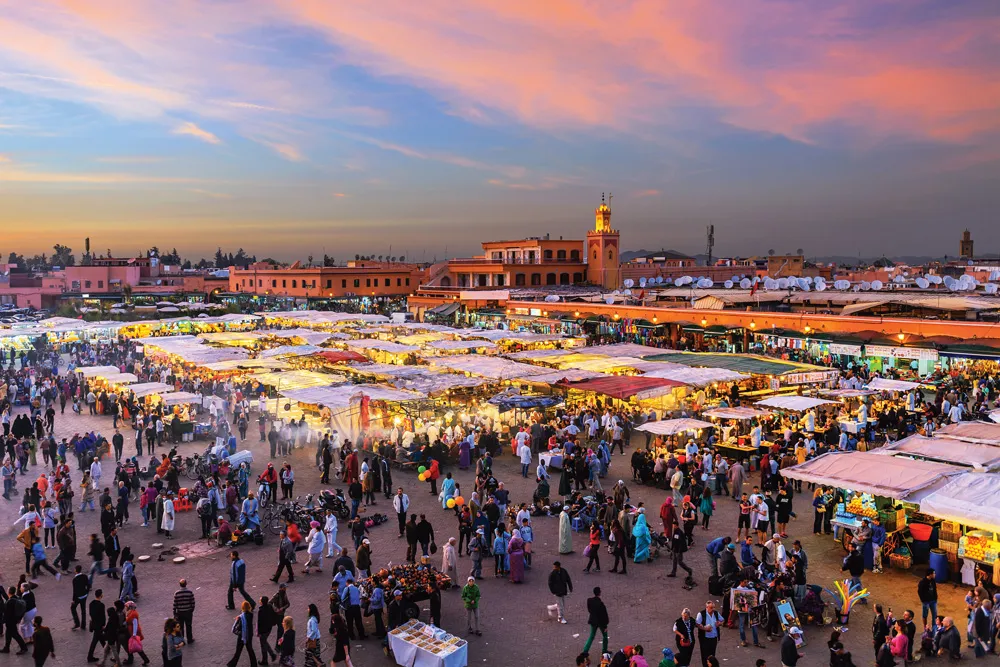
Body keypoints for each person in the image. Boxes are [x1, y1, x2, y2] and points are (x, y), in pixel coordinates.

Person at [228, 600, 257, 667]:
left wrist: (239, 633)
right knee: (250, 650)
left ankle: (232, 664)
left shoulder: (241, 617)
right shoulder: (251, 615)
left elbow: (235, 629)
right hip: (249, 636)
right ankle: (254, 664)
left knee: (238, 651)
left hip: (242, 636)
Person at [695, 601, 723, 667]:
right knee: (705, 655)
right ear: (707, 607)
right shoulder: (701, 614)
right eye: (711, 608)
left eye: (713, 608)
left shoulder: (716, 613)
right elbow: (697, 624)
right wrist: (705, 628)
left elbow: (722, 620)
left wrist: (719, 623)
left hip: (714, 637)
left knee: (712, 654)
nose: (713, 609)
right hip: (704, 638)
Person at [584, 586, 610, 655]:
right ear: (599, 593)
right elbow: (604, 616)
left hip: (593, 622)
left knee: (591, 636)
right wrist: (605, 625)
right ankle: (604, 650)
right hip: (601, 623)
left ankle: (585, 650)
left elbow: (589, 610)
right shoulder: (601, 604)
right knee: (605, 636)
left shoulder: (589, 600)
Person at [124, 601, 150, 666]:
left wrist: (134, 635)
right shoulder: (130, 612)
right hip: (131, 632)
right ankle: (143, 659)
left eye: (126, 606)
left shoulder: (133, 614)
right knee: (133, 646)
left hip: (133, 633)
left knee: (136, 647)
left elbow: (135, 624)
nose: (125, 607)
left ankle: (145, 659)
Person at [172, 579, 196, 645]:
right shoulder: (190, 592)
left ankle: (182, 641)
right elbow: (193, 602)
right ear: (186, 584)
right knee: (188, 626)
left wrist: (174, 613)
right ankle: (189, 639)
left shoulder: (177, 593)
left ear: (180, 585)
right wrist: (191, 609)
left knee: (181, 627)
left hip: (180, 613)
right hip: (188, 612)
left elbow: (175, 604)